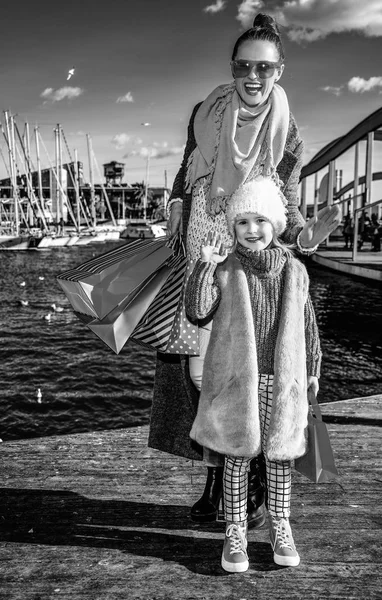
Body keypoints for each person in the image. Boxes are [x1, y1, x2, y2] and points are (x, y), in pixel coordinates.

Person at [148, 13, 339, 526]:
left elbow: (289, 201)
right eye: (243, 66)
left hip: (254, 265)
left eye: (264, 67)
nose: (252, 76)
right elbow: (187, 174)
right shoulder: (204, 112)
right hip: (204, 256)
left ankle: (250, 481)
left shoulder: (288, 132)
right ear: (233, 68)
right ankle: (216, 478)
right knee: (201, 377)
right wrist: (174, 213)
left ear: (280, 71)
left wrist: (304, 234)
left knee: (253, 376)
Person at [185, 177, 321, 572]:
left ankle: (281, 525)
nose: (251, 230)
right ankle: (236, 531)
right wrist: (204, 265)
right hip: (236, 380)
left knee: (280, 458)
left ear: (276, 224)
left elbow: (308, 324)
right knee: (237, 457)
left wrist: (312, 368)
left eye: (260, 220)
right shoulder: (225, 268)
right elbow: (197, 310)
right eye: (242, 221)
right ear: (233, 227)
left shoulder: (294, 270)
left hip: (284, 381)